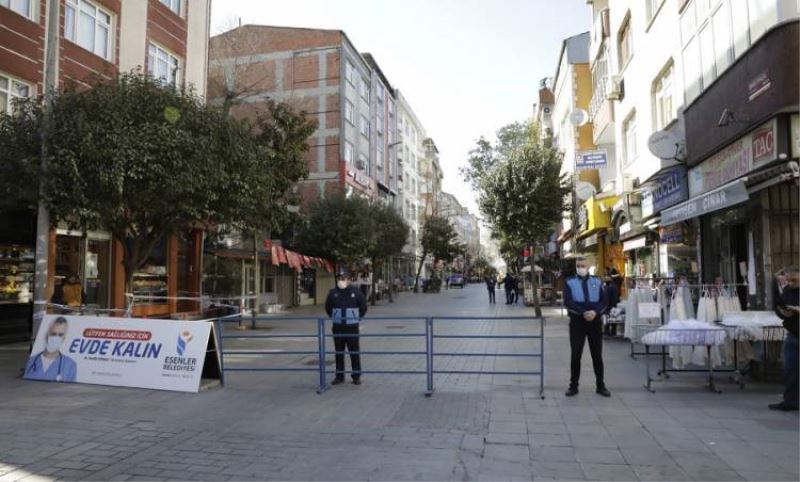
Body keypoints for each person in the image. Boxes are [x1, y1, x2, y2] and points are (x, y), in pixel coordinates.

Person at [564, 256, 609, 397]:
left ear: (588, 267)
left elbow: (604, 301)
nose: (580, 268)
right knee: (575, 355)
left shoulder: (597, 281)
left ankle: (600, 386)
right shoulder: (569, 282)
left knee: (597, 355)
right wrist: (583, 312)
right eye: (578, 266)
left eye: (583, 265)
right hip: (577, 322)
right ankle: (573, 386)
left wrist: (595, 312)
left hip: (594, 322)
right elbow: (568, 301)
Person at [325, 271, 368, 385]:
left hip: (352, 328)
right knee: (339, 353)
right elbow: (328, 308)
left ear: (349, 280)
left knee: (354, 352)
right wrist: (335, 317)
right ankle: (339, 376)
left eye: (344, 278)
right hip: (338, 327)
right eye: (340, 278)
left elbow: (363, 307)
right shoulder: (333, 293)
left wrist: (356, 318)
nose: (341, 280)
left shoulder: (356, 292)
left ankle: (356, 376)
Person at [771, 266, 799, 411]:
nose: (790, 282)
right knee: (790, 370)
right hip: (793, 334)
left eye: (794, 280)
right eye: (788, 280)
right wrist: (782, 312)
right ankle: (790, 402)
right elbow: (779, 305)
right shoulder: (788, 290)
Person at [24, 316, 77, 382]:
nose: (56, 338)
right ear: (47, 334)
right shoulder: (32, 360)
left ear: (64, 338)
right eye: (53, 334)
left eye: (60, 335)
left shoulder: (70, 365)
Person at [603, 268, 622, 336]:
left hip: (610, 304)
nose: (606, 277)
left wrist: (606, 305)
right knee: (614, 316)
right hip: (614, 302)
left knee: (607, 316)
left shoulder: (610, 286)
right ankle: (613, 331)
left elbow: (607, 297)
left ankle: (607, 330)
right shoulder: (615, 284)